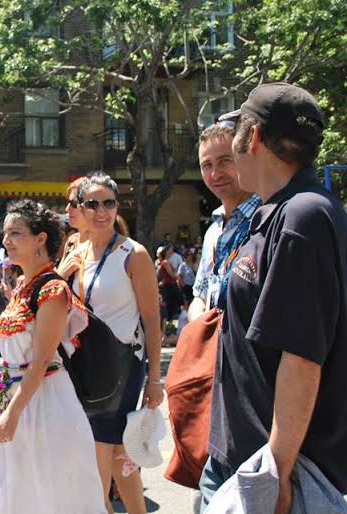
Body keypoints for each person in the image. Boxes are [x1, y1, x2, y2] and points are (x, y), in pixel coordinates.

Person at [201, 83, 347, 511]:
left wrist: (276, 471)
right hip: (245, 458)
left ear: (254, 136)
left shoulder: (303, 216)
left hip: (279, 469)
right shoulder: (281, 211)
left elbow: (302, 358)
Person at [0, 199, 107, 514]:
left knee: (46, 493)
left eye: (15, 233)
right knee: (8, 492)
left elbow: (42, 359)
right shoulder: (24, 286)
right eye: (5, 234)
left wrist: (13, 412)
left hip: (44, 403)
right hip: (14, 397)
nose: (6, 241)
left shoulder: (52, 290)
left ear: (40, 239)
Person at [73, 172, 164, 514]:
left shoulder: (133, 254)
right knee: (118, 452)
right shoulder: (77, 254)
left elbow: (152, 320)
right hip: (85, 367)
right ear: (81, 208)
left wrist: (155, 379)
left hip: (122, 367)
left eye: (108, 203)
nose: (101, 211)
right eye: (92, 204)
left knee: (99, 448)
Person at [188, 123, 261, 322]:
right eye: (207, 165)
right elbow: (200, 296)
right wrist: (200, 327)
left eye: (224, 161)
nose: (215, 174)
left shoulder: (266, 221)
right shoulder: (213, 231)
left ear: (244, 159)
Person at [157, 246, 182, 320]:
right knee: (171, 302)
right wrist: (178, 277)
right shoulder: (165, 262)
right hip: (169, 285)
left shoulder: (165, 261)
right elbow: (171, 274)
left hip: (169, 284)